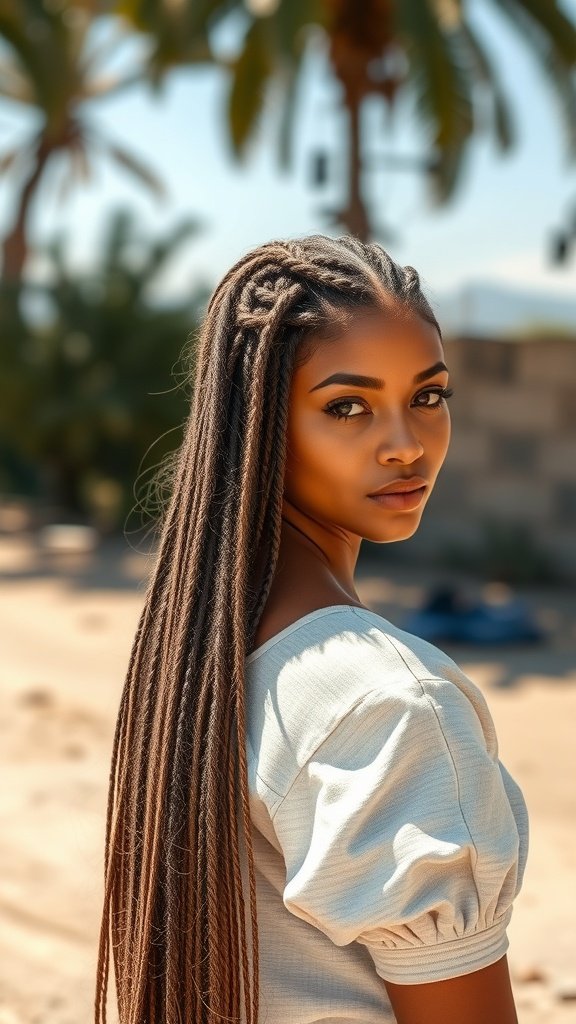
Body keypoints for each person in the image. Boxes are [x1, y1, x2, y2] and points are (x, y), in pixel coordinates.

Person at [95, 234, 529, 1024]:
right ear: (261, 423)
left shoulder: (203, 655)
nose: (406, 444)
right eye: (347, 406)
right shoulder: (394, 705)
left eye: (429, 395)